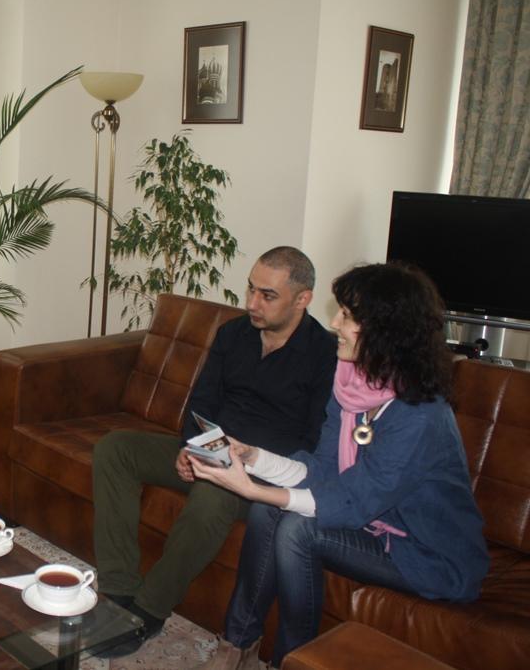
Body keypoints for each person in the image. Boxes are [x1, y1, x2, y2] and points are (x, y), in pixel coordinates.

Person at [191, 263, 488, 669]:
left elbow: (351, 502)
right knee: (270, 510)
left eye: (347, 316)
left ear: (385, 330)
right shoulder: (352, 385)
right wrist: (254, 457)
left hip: (426, 553)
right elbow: (322, 469)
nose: (334, 323)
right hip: (372, 524)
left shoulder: (420, 415)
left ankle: (293, 660)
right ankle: (239, 644)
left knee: (298, 528)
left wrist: (252, 487)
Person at [92, 247, 337, 657]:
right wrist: (191, 448)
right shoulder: (234, 334)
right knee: (116, 448)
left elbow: (312, 441)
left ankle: (149, 610)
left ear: (302, 299)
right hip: (210, 450)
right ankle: (118, 590)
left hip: (260, 472)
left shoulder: (325, 356)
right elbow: (202, 402)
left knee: (213, 495)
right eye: (251, 289)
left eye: (267, 295)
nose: (252, 303)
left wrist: (247, 458)